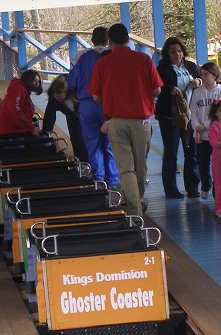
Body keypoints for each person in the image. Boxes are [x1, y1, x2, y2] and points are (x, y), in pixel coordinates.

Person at [88, 23, 162, 216]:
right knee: (140, 166)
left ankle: (134, 208)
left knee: (126, 168)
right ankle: (139, 200)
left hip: (116, 121)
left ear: (110, 41)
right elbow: (157, 90)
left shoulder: (103, 64)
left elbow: (95, 97)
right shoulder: (144, 59)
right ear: (128, 39)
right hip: (142, 122)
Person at [68, 27, 120, 187]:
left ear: (92, 40)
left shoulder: (82, 57)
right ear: (108, 41)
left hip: (87, 105)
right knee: (110, 145)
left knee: (93, 144)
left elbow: (72, 82)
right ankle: (113, 182)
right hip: (108, 105)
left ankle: (99, 180)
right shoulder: (113, 57)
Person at [155, 37, 202, 199]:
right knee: (171, 152)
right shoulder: (162, 68)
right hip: (170, 116)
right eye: (173, 51)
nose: (177, 54)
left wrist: (198, 81)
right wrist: (169, 89)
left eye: (179, 51)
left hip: (190, 115)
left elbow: (201, 80)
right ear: (167, 53)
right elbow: (158, 86)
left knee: (191, 151)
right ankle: (171, 189)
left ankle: (193, 187)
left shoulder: (190, 66)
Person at [189, 62, 221, 200]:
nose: (203, 77)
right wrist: (197, 127)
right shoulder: (197, 92)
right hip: (202, 136)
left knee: (219, 165)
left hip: (217, 135)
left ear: (214, 75)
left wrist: (205, 125)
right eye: (202, 74)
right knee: (202, 163)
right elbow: (193, 111)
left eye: (206, 74)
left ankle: (219, 194)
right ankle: (206, 184)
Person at [42, 75, 88, 162]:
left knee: (89, 137)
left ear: (67, 92)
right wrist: (46, 134)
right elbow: (49, 116)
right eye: (56, 96)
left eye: (60, 96)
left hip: (84, 112)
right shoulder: (53, 100)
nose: (58, 98)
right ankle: (82, 161)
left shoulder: (77, 93)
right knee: (76, 138)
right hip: (72, 116)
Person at [0, 70, 43, 136]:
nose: (37, 83)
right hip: (11, 132)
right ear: (28, 80)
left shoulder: (23, 90)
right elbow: (16, 111)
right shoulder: (18, 89)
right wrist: (31, 127)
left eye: (38, 81)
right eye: (35, 81)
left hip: (19, 129)